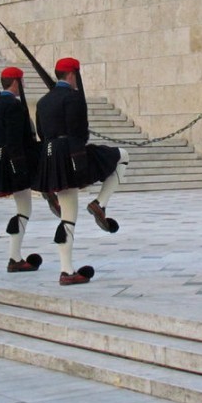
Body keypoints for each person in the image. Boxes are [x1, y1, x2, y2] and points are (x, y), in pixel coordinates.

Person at [33, 57, 130, 286]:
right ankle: (100, 204)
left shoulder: (43, 101)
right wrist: (81, 161)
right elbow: (80, 133)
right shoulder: (73, 98)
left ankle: (66, 271)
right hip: (72, 154)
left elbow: (40, 133)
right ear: (72, 75)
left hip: (50, 156)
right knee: (122, 156)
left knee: (68, 217)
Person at [0, 66, 46, 273]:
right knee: (24, 209)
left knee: (22, 209)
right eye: (23, 82)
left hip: (2, 160)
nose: (24, 86)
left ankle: (15, 255)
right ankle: (14, 257)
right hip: (17, 161)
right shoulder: (14, 107)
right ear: (16, 82)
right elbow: (20, 139)